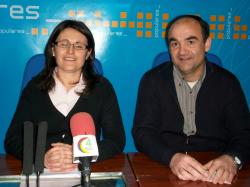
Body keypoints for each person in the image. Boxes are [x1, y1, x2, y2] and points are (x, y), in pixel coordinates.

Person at [132, 14, 250, 185]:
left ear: (207, 44)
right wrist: (171, 157)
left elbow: (244, 133)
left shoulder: (227, 82)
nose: (182, 51)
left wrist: (232, 159)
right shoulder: (152, 81)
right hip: (166, 167)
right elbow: (142, 133)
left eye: (191, 42)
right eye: (175, 43)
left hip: (216, 170)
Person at [5, 20, 125, 172]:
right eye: (64, 44)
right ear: (53, 49)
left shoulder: (102, 88)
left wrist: (82, 154)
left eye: (79, 46)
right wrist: (40, 157)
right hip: (41, 172)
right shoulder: (34, 89)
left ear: (88, 53)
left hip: (87, 171)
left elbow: (116, 140)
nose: (70, 51)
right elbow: (13, 139)